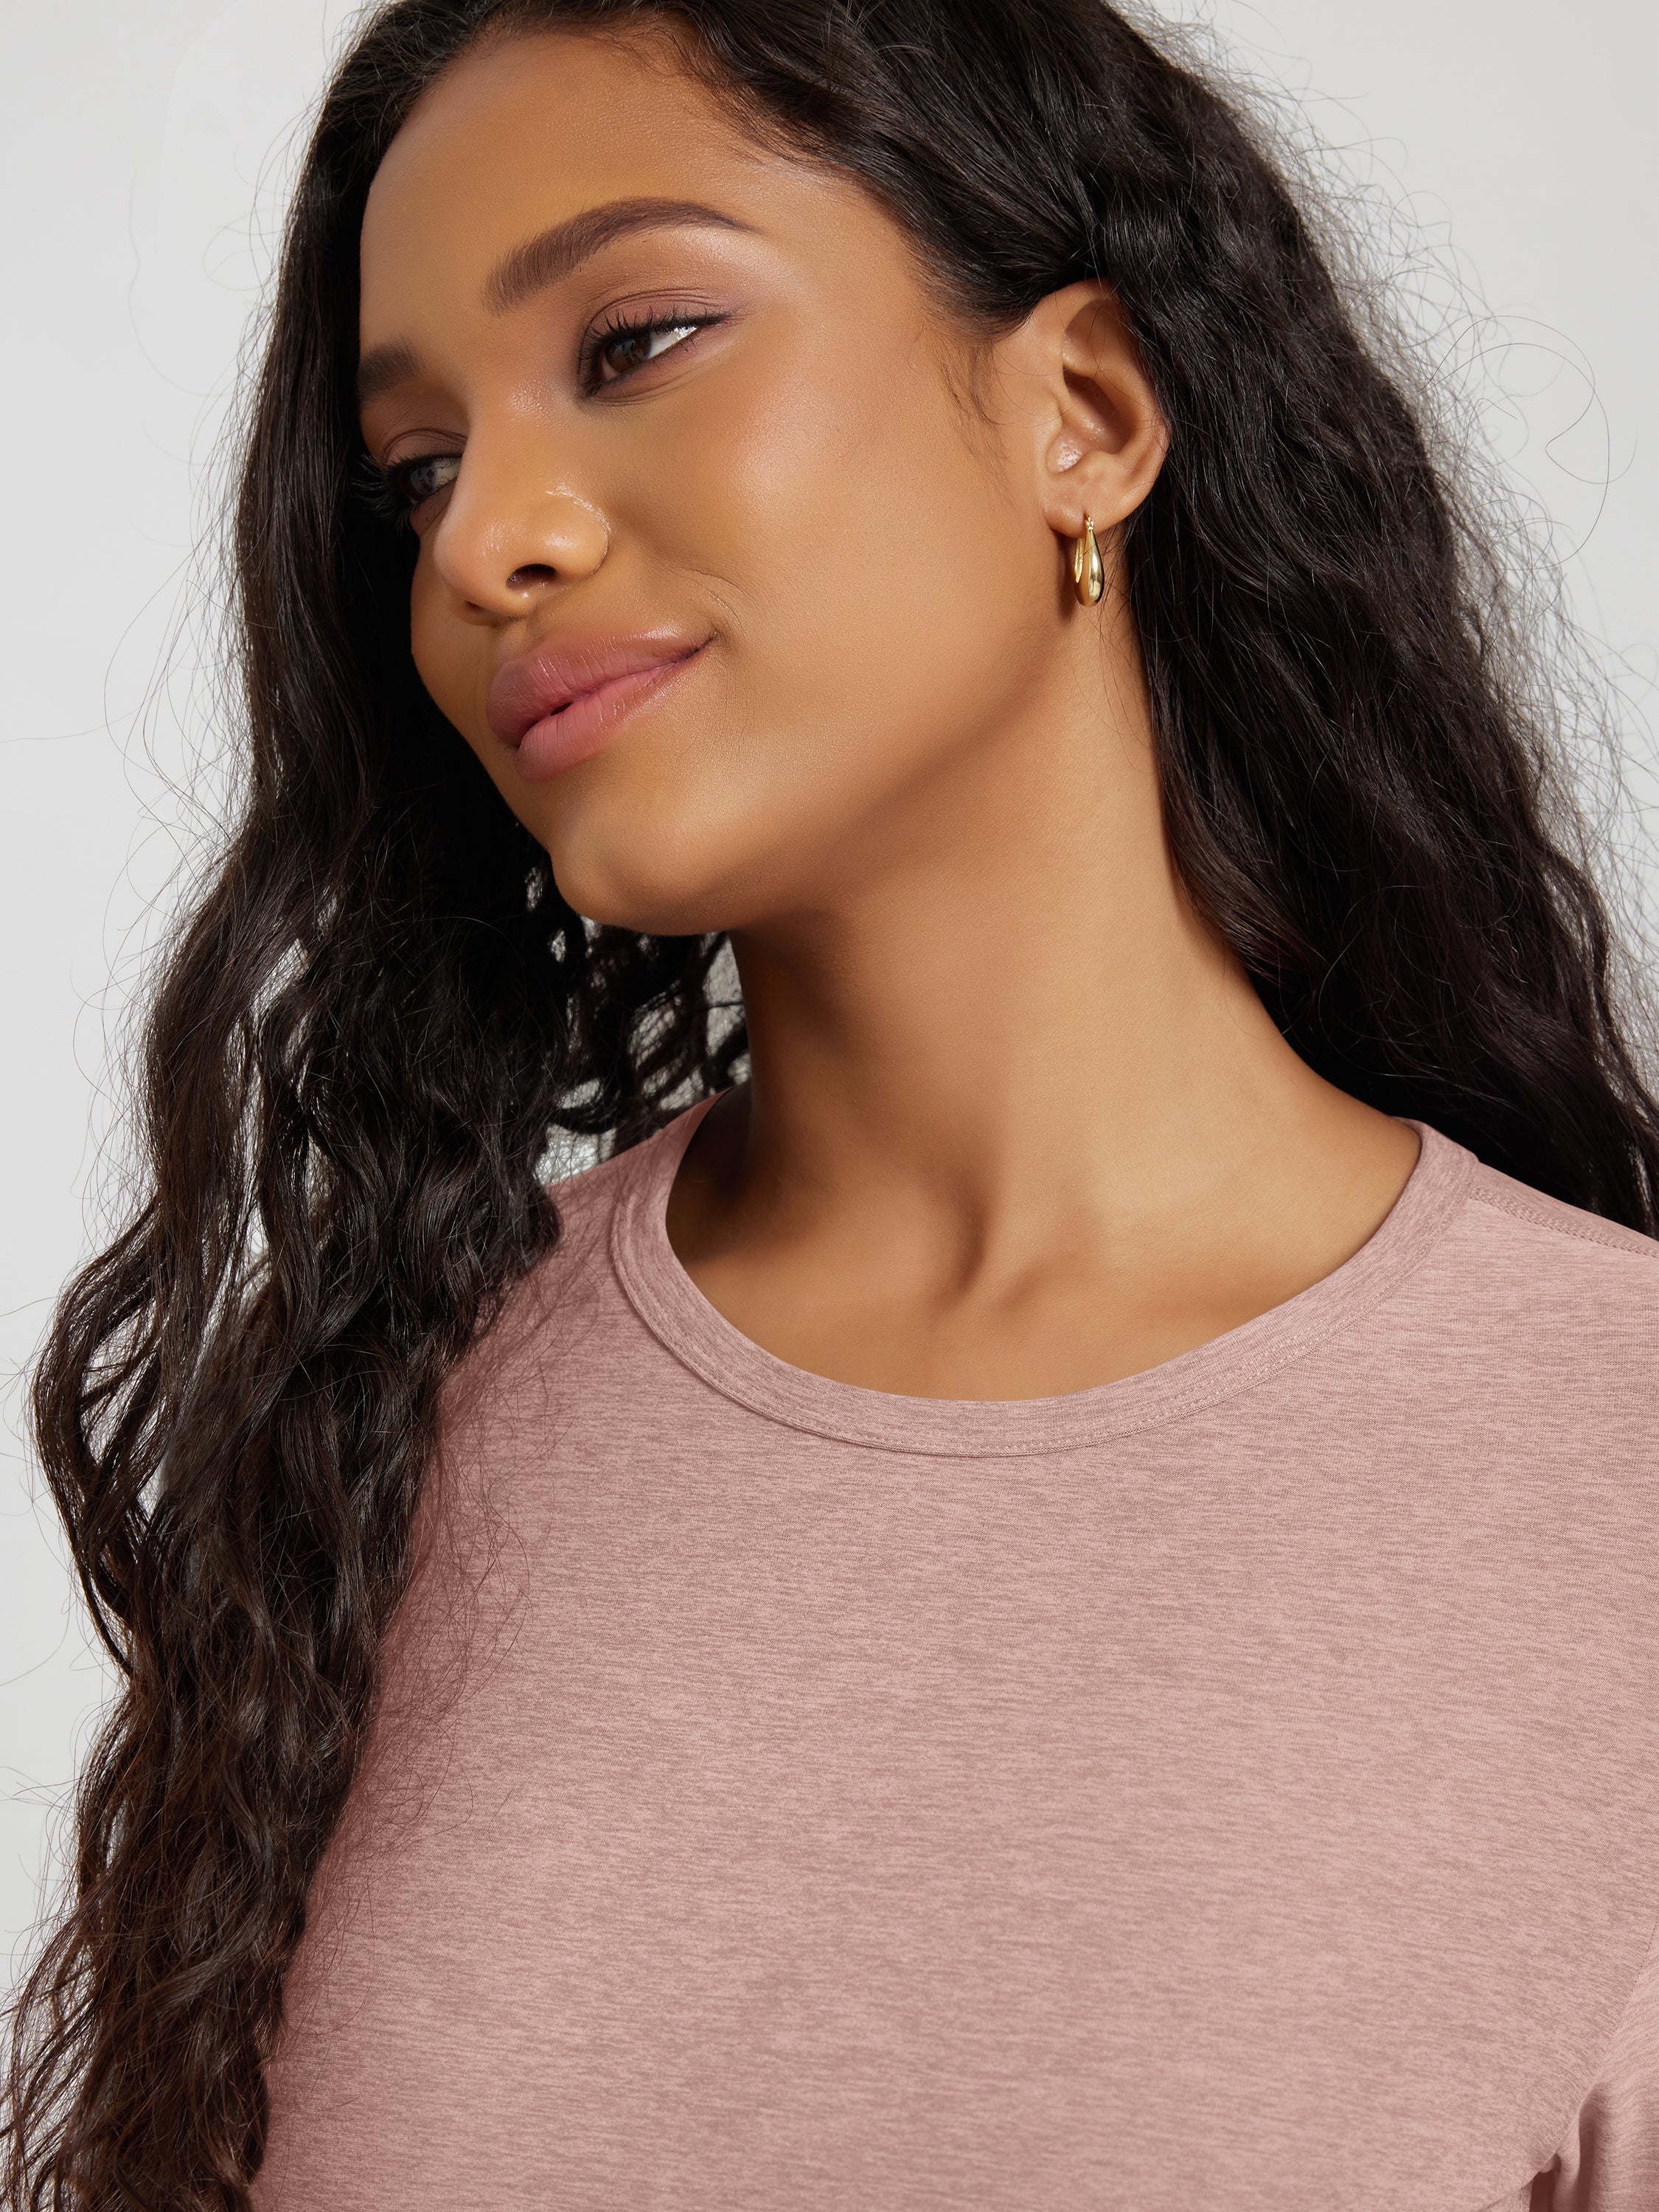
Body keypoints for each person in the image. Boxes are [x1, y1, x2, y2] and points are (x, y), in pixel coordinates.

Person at [7, 0, 1658, 2205]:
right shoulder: (382, 1415)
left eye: (637, 341)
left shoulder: (1611, 1471)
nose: (483, 540)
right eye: (414, 469)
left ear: (1083, 414)